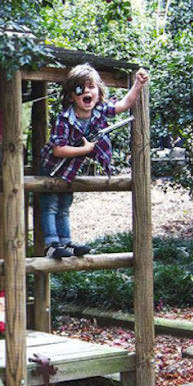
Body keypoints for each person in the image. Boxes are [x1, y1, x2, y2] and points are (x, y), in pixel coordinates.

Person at [40, 64, 149, 259]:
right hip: (51, 167)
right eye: (80, 88)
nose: (87, 92)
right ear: (72, 95)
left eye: (92, 87)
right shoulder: (64, 119)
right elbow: (58, 150)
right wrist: (85, 149)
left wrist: (138, 85)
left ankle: (66, 242)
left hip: (69, 170)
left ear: (99, 93)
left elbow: (124, 104)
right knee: (51, 206)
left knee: (64, 205)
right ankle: (51, 244)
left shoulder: (98, 111)